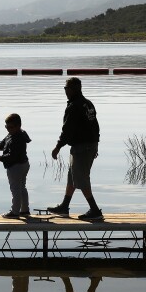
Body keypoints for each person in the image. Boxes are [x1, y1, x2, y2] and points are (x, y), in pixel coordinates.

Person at [48, 77, 103, 221]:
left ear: (73, 89)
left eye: (66, 88)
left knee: (81, 179)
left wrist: (57, 147)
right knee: (72, 176)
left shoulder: (74, 106)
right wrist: (95, 144)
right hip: (87, 145)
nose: (65, 91)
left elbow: (67, 131)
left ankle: (95, 210)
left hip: (82, 147)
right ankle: (64, 206)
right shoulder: (87, 104)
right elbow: (95, 126)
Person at [0, 113, 31, 218]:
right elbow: (5, 140)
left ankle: (15, 212)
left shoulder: (17, 138)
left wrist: (0, 158)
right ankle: (24, 210)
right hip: (24, 164)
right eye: (6, 127)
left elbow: (13, 155)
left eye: (10, 127)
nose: (8, 129)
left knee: (15, 189)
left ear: (18, 126)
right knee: (22, 188)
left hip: (16, 166)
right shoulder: (15, 133)